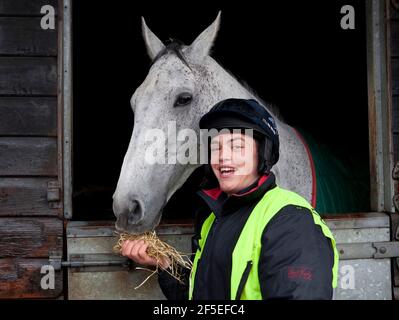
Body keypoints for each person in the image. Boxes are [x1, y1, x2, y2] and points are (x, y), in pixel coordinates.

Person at [121, 98, 339, 300]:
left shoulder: (290, 221)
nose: (223, 156)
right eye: (216, 147)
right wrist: (164, 264)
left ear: (263, 153)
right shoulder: (213, 218)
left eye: (237, 146)